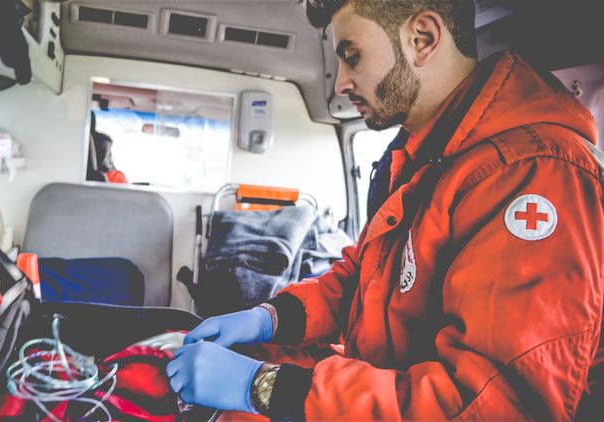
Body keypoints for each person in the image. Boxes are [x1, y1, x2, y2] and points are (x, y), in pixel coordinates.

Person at [166, 0, 604, 420]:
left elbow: (494, 406)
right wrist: (268, 320)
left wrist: (263, 386)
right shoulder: (425, 159)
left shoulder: (529, 174)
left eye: (351, 56)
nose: (340, 84)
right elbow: (362, 277)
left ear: (422, 38)